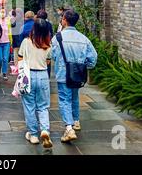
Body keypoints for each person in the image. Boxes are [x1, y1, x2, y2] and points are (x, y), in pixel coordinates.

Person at [51, 9, 97, 143]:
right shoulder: (84, 38)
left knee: (65, 99)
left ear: (64, 20)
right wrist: (82, 66)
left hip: (63, 73)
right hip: (78, 75)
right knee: (74, 96)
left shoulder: (58, 37)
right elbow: (93, 59)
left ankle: (69, 128)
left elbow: (52, 56)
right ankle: (76, 121)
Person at [18, 18, 53, 148]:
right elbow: (48, 61)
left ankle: (33, 134)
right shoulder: (48, 44)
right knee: (43, 106)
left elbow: (20, 58)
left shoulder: (26, 42)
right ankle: (44, 129)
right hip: (43, 75)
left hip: (29, 75)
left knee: (29, 106)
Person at [0, 8, 12, 81]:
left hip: (6, 42)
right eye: (1, 12)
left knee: (5, 58)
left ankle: (4, 72)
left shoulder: (8, 20)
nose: (2, 13)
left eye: (4, 12)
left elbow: (10, 30)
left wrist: (11, 40)